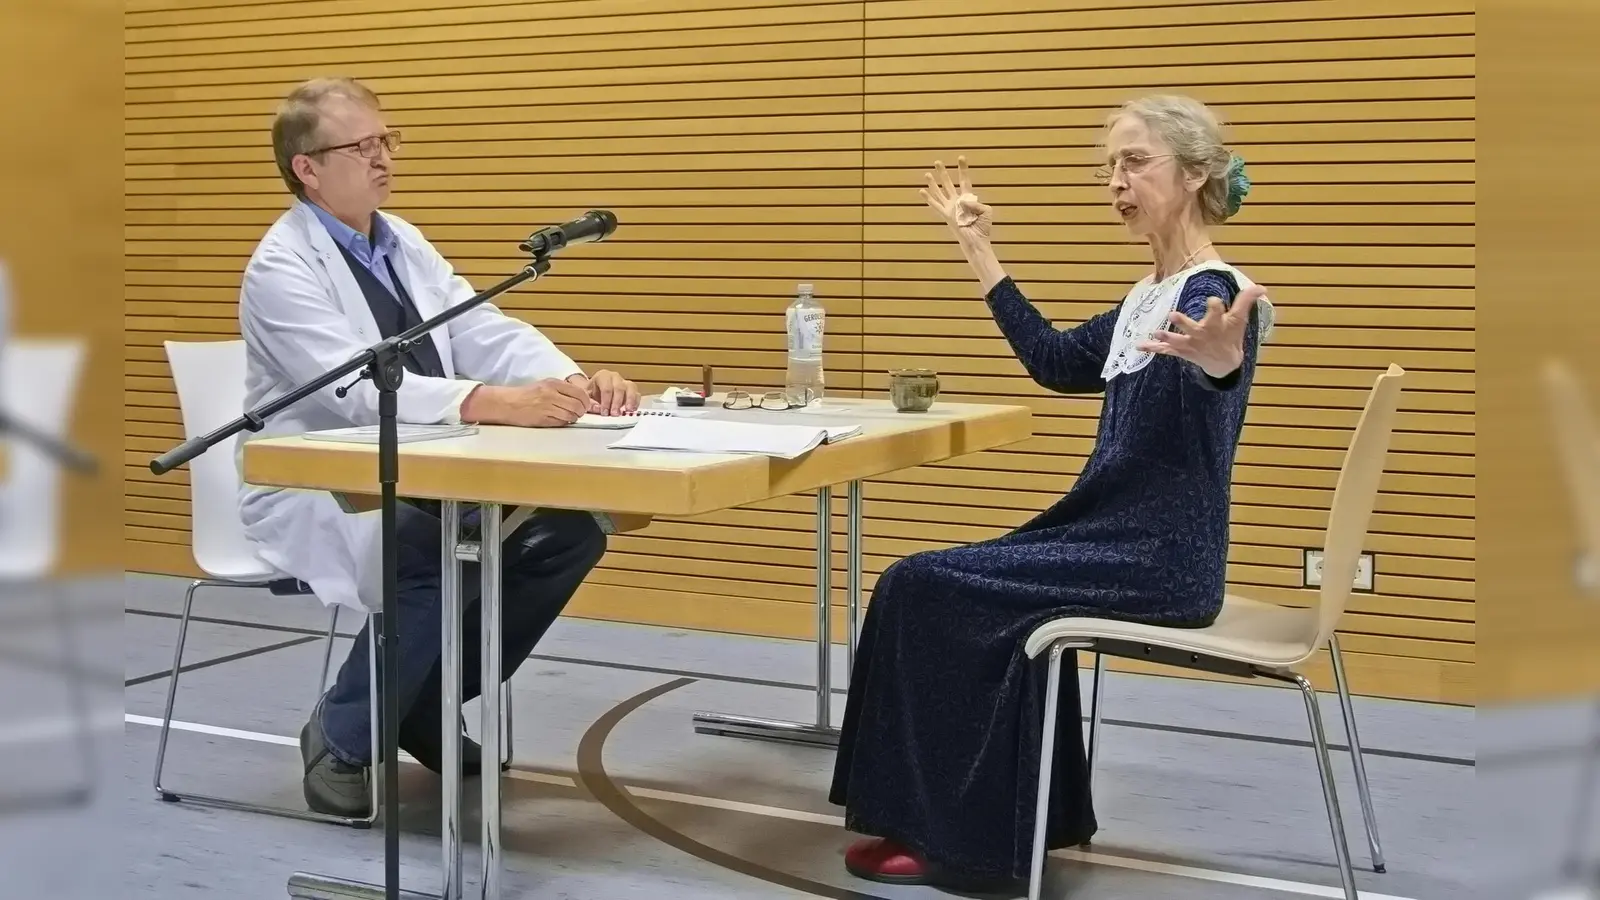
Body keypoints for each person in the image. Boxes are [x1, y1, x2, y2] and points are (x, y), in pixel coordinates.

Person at [829, 93, 1276, 890]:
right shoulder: (1150, 296)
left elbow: (1221, 372)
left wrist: (1220, 365)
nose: (1116, 181)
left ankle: (964, 845)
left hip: (1160, 557)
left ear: (1197, 172)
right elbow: (1054, 359)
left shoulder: (1214, 298)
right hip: (1112, 537)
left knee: (923, 587)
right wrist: (977, 247)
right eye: (1110, 166)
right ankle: (1003, 822)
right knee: (922, 585)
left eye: (1135, 162)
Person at [235, 77, 640, 817]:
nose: (385, 157)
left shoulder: (403, 241)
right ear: (308, 168)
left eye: (388, 140)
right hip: (323, 482)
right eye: (363, 146)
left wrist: (571, 381)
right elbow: (353, 389)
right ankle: (343, 737)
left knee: (567, 533)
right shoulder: (281, 267)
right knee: (422, 550)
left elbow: (483, 331)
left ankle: (423, 701)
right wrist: (492, 403)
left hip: (433, 465)